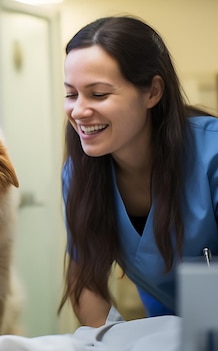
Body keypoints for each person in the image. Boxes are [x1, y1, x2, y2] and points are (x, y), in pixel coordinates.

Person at [59, 15, 218, 327]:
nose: (78, 110)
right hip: (165, 329)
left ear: (152, 92)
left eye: (99, 94)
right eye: (71, 94)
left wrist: (200, 337)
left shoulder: (211, 154)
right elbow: (86, 281)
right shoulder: (80, 174)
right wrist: (116, 339)